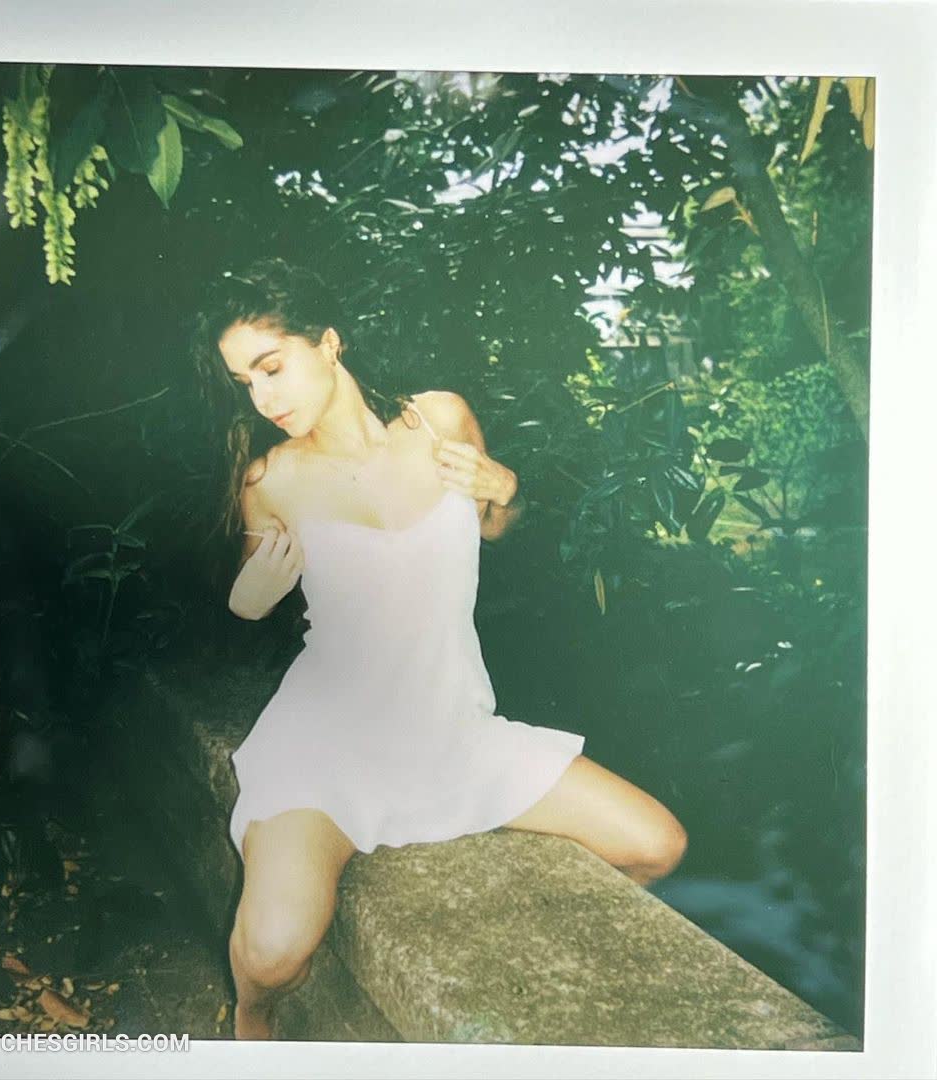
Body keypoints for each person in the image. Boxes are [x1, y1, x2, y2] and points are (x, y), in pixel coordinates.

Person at [194, 258, 687, 1040]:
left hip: (455, 731)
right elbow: (248, 602)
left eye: (272, 367)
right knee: (275, 951)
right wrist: (247, 600)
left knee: (656, 843)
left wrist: (506, 491)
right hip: (327, 746)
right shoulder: (271, 480)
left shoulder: (440, 421)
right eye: (245, 382)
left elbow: (496, 525)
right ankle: (251, 1020)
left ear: (328, 342)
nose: (263, 398)